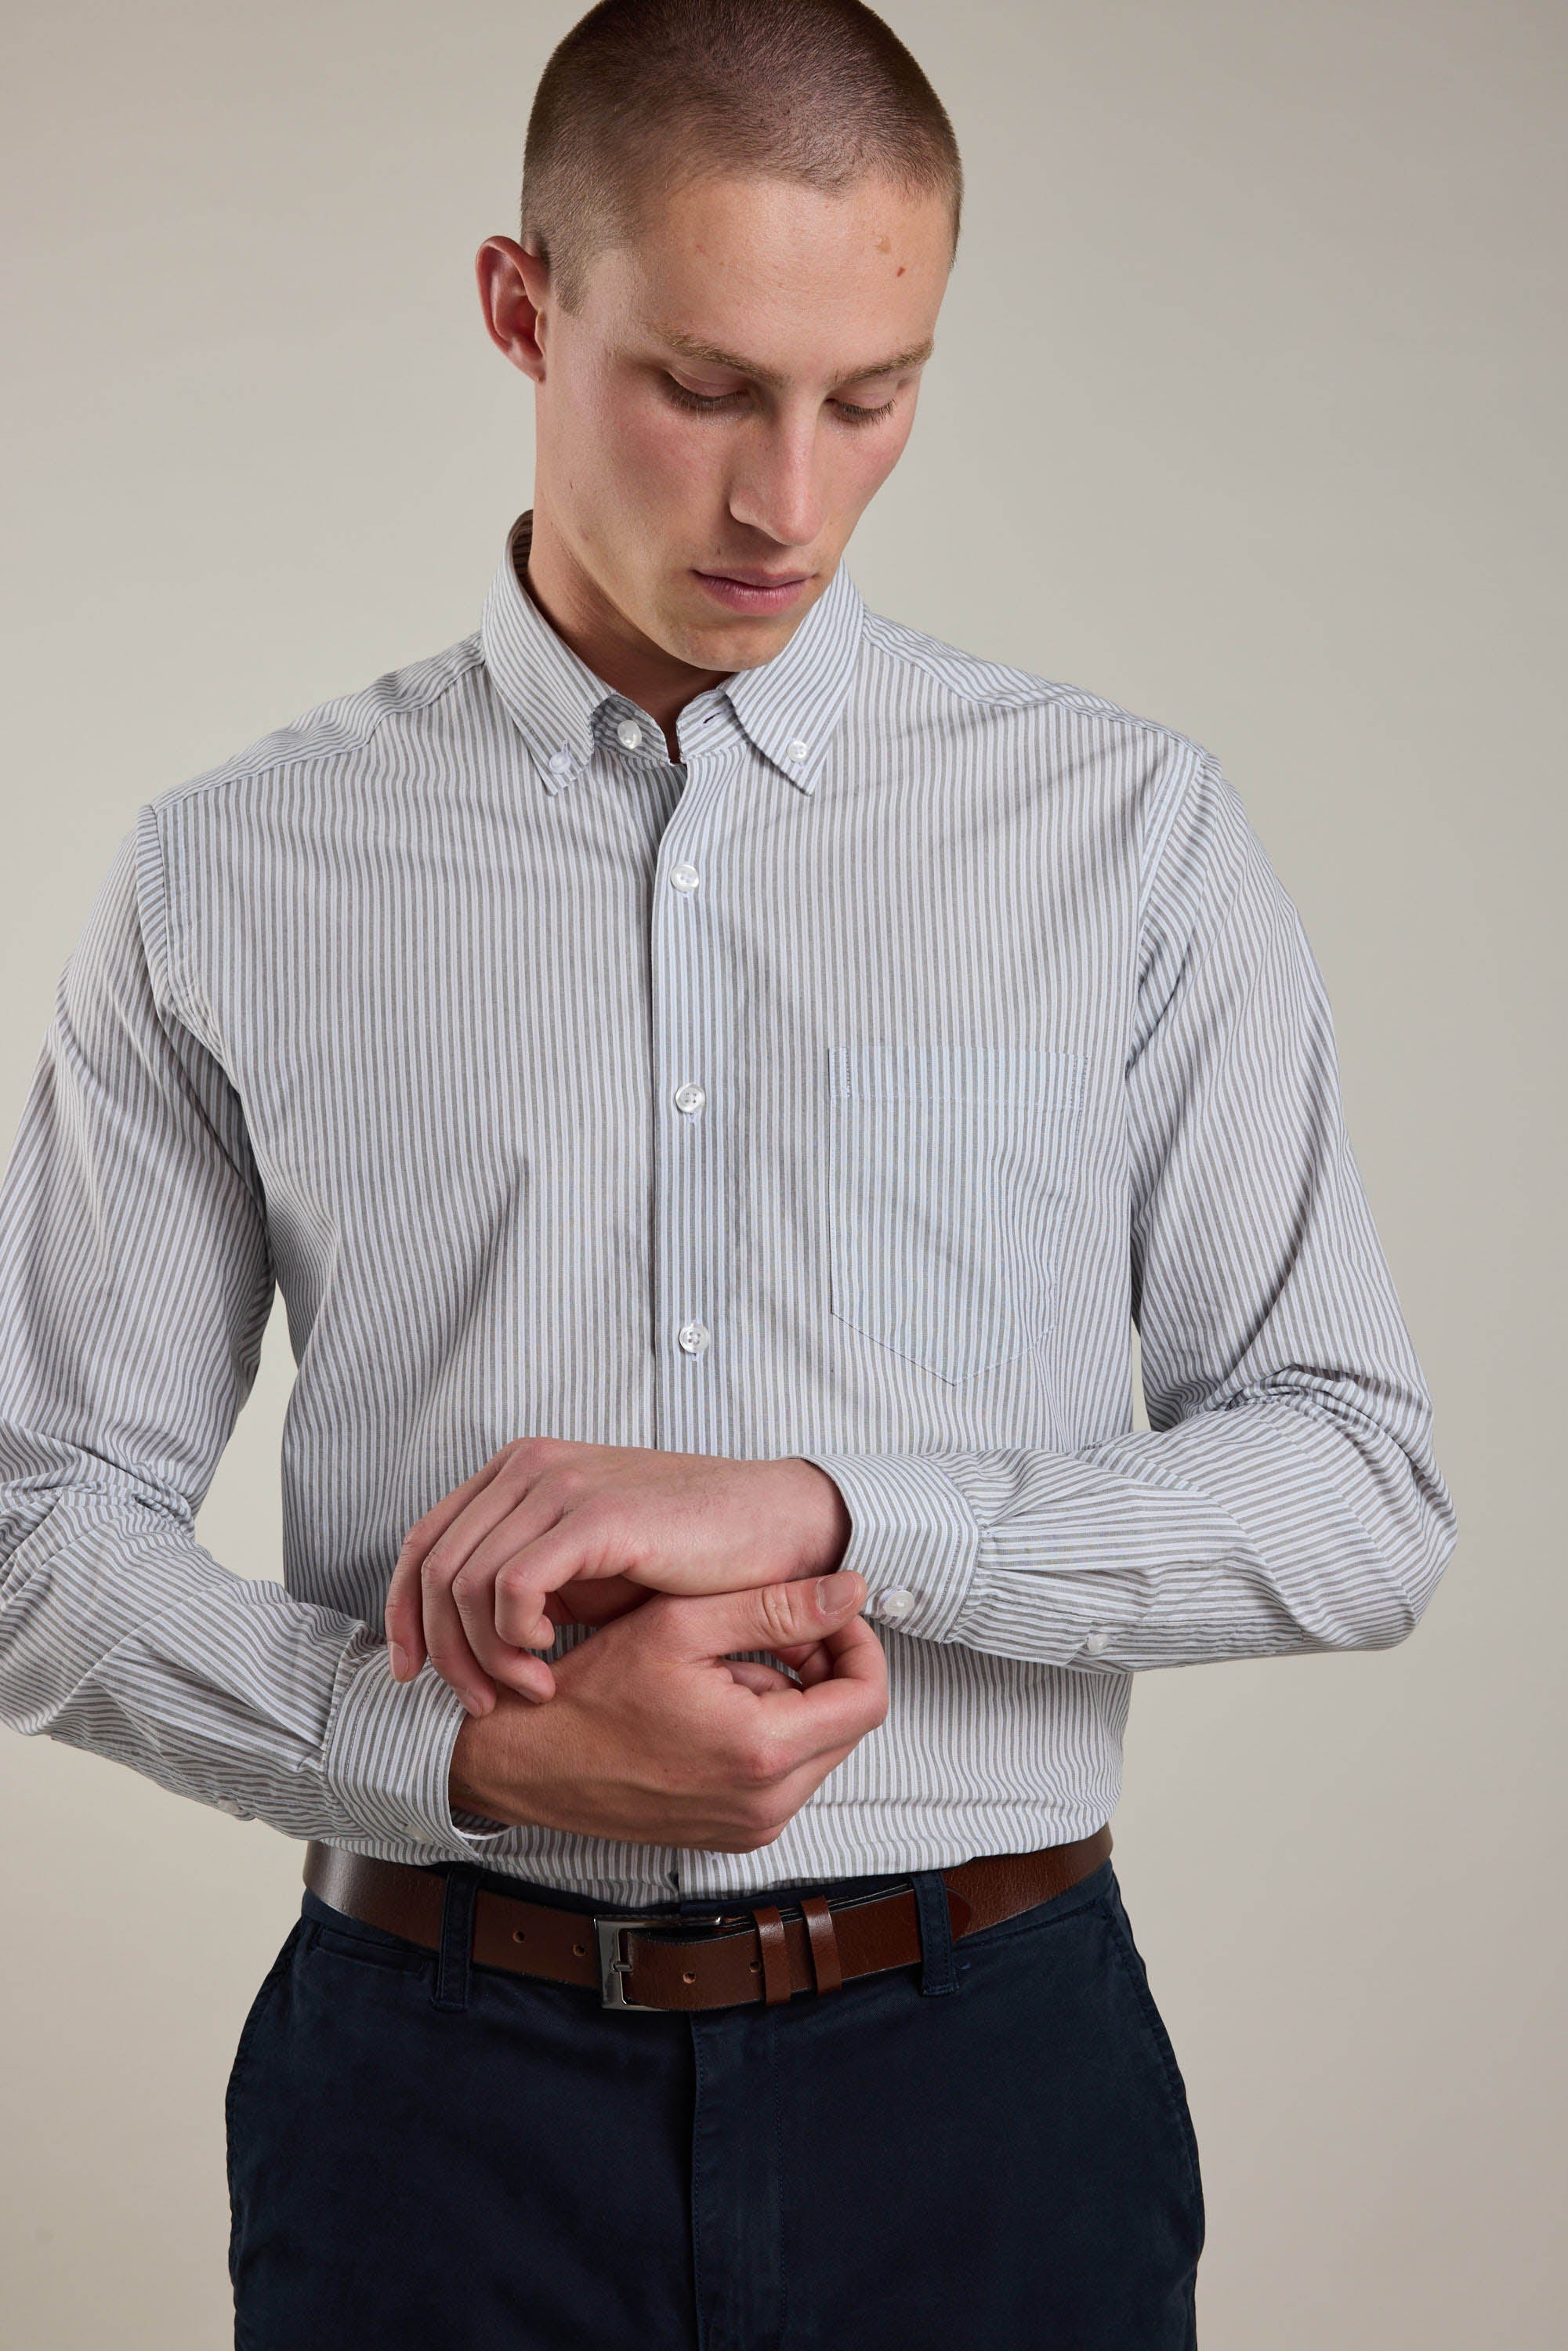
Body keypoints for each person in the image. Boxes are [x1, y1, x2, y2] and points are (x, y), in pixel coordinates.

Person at [0, 2, 1456, 2344]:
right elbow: (32, 1524)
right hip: (427, 2106)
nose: (789, 499)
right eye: (703, 388)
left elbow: (1360, 1492)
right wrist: (460, 1751)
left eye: (871, 396)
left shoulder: (1126, 840)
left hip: (992, 2095)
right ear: (520, 308)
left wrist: (828, 1509)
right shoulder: (232, 874)